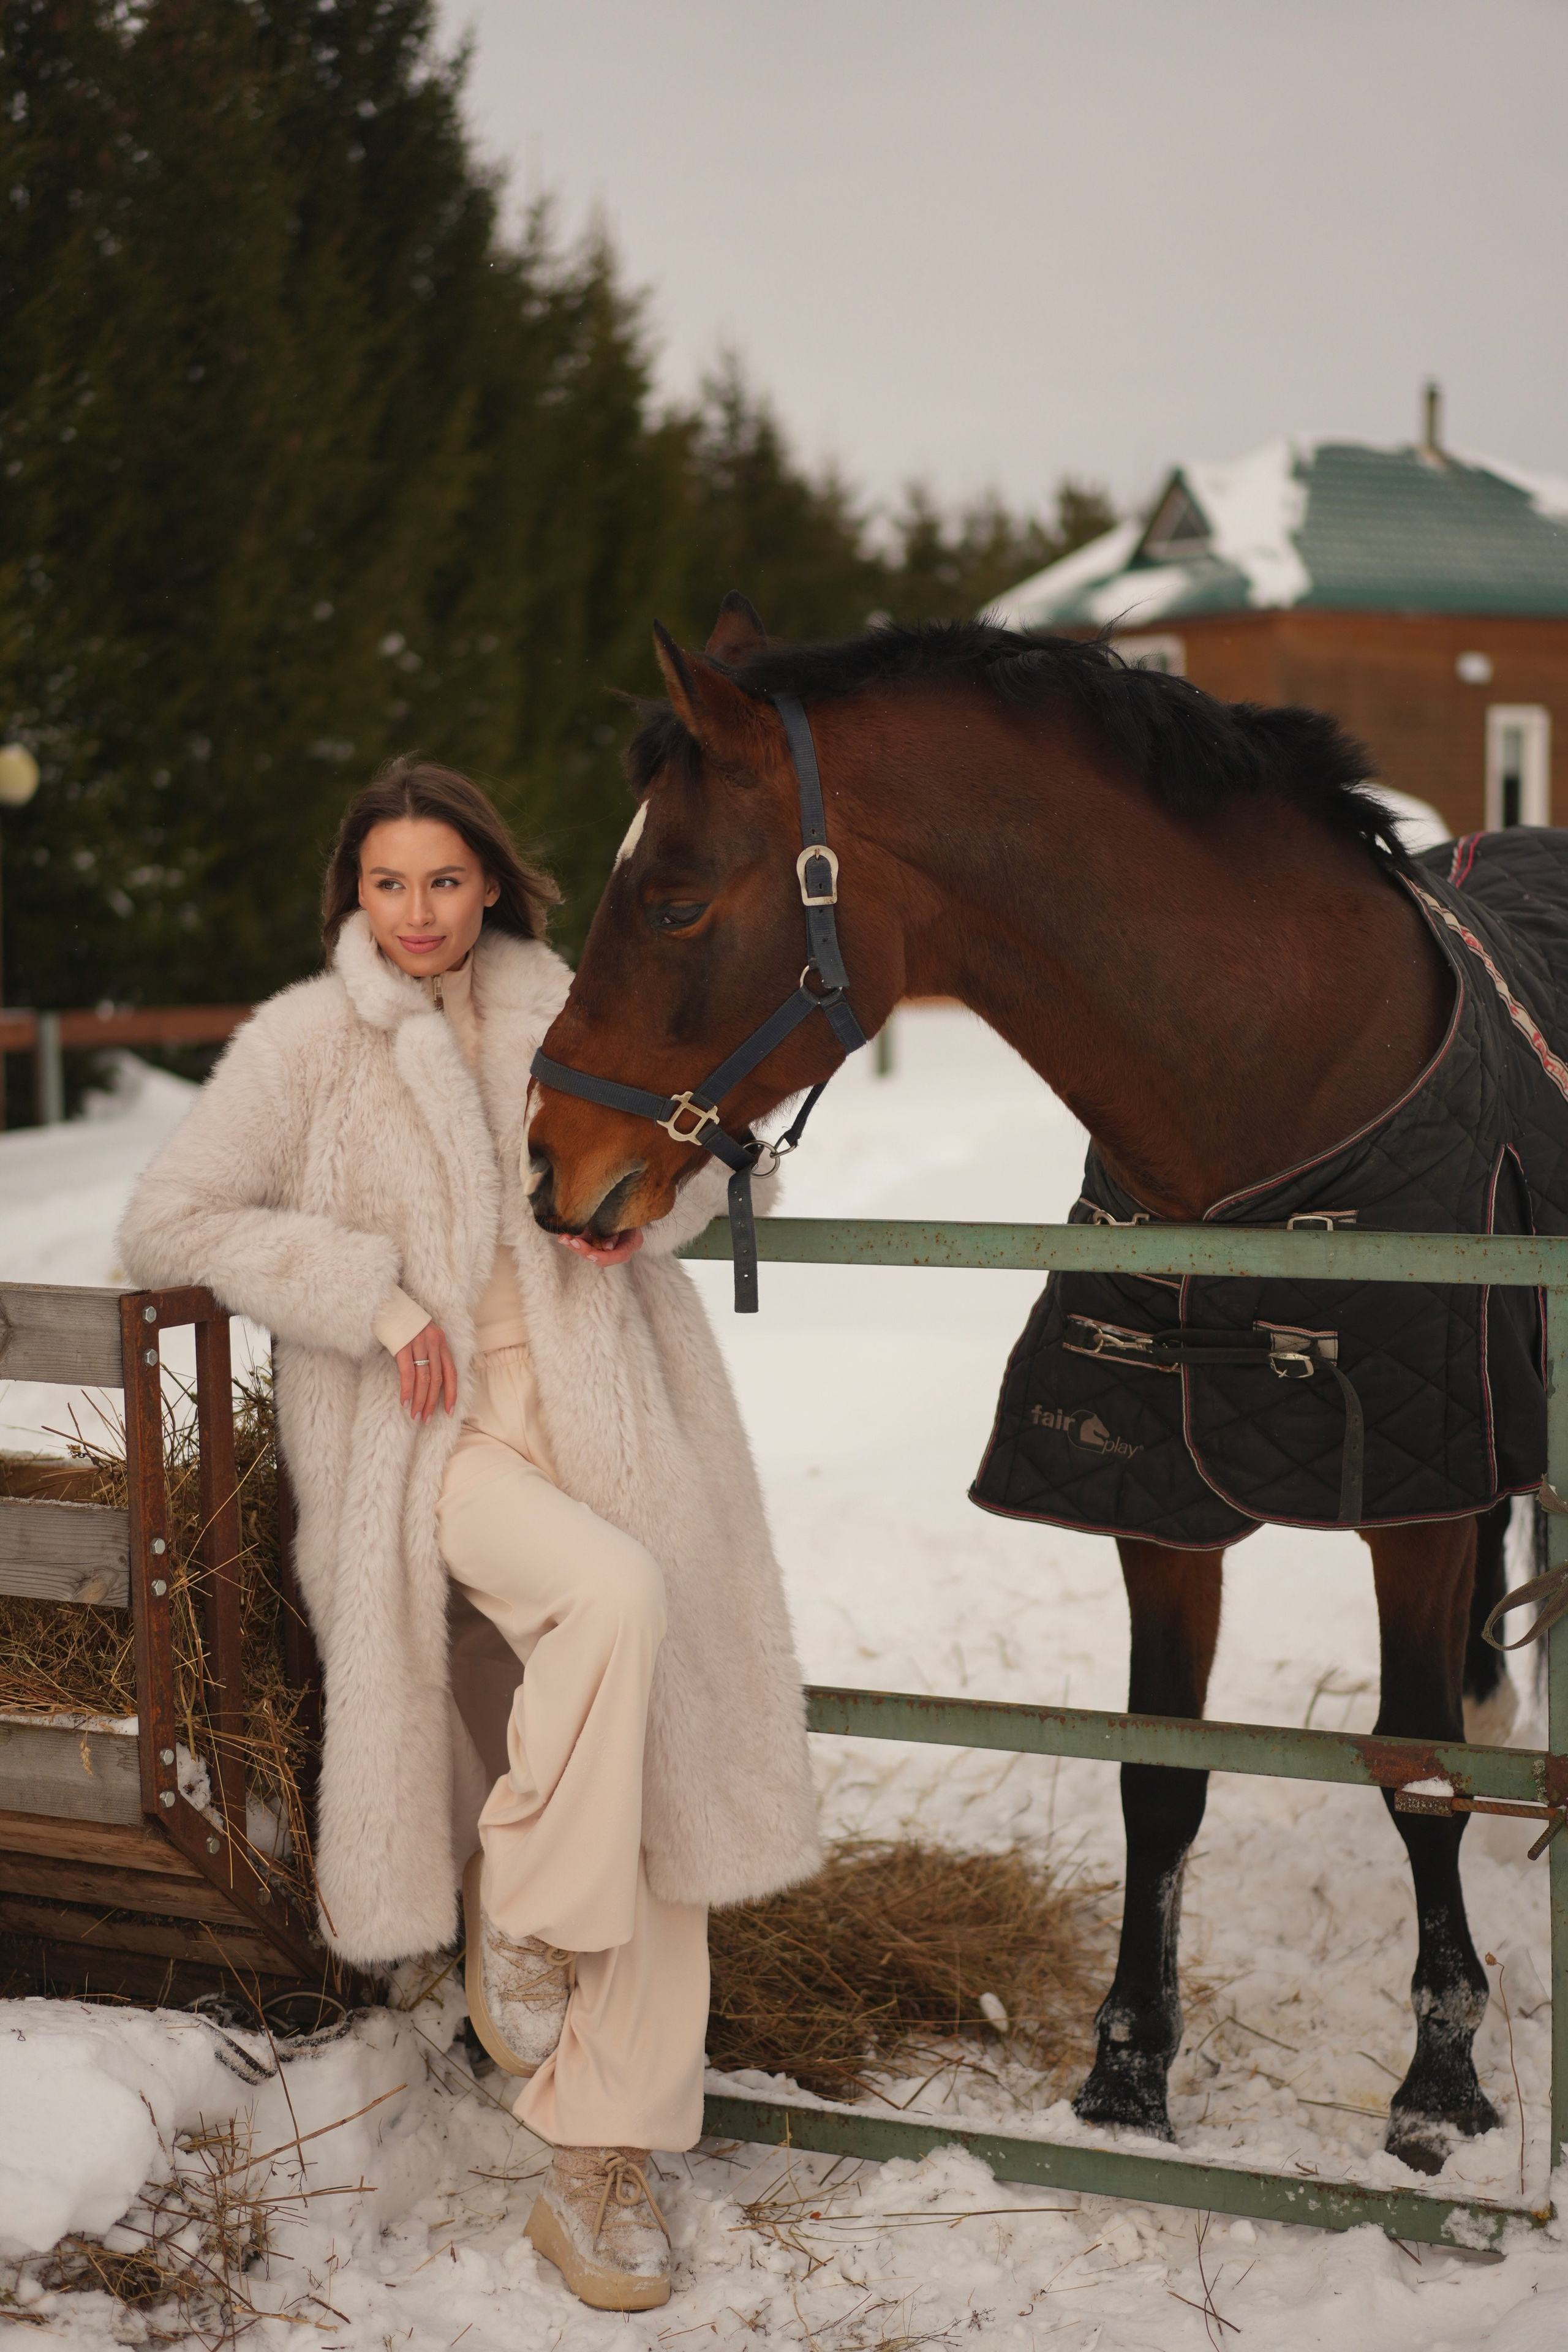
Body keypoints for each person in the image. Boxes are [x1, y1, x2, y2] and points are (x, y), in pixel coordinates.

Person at [118, 758, 820, 2313]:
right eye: (389, 884)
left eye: (445, 880)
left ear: (491, 882)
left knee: (650, 1756)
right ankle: (527, 1900)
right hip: (425, 1437)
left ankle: (602, 2168)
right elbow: (170, 1221)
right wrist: (364, 1295)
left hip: (603, 1408)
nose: (420, 912)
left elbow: (663, 1184)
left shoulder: (569, 1001)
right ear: (352, 898)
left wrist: (684, 1180)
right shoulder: (302, 1045)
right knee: (616, 1600)